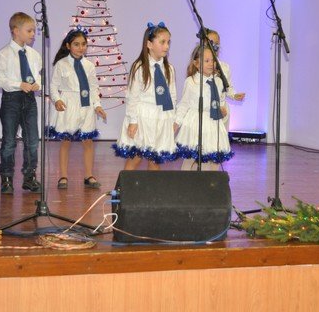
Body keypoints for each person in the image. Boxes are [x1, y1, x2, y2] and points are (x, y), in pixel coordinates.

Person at [113, 22, 177, 170]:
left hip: (161, 118)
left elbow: (172, 95)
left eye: (168, 42)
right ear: (149, 44)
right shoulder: (139, 67)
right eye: (162, 42)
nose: (167, 46)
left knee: (155, 160)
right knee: (136, 157)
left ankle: (152, 186)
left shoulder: (169, 69)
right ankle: (125, 185)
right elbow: (132, 97)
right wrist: (133, 121)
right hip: (143, 118)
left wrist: (172, 118)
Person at [48, 28, 107, 189]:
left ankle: (88, 175)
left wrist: (97, 105)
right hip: (68, 106)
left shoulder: (89, 65)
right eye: (76, 44)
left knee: (88, 141)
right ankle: (63, 176)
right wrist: (57, 100)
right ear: (68, 46)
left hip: (86, 106)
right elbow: (53, 86)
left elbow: (93, 88)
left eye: (83, 44)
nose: (81, 48)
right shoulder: (61, 64)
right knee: (66, 141)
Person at [0, 12, 42, 194]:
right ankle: (6, 178)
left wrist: (37, 84)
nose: (33, 34)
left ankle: (29, 176)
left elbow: (38, 75)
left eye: (34, 30)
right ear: (16, 31)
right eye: (29, 30)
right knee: (9, 141)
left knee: (32, 140)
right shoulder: (3, 54)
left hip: (29, 100)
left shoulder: (34, 55)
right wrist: (18, 84)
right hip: (11, 100)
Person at [175, 45, 234, 171]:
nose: (211, 64)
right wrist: (176, 122)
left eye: (213, 60)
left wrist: (221, 109)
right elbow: (184, 104)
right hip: (195, 124)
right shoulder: (191, 81)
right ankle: (184, 181)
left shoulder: (218, 82)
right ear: (196, 63)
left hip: (212, 124)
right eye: (207, 61)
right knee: (191, 158)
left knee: (211, 156)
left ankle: (208, 181)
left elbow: (219, 102)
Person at [205, 28, 245, 129]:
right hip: (206, 111)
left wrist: (234, 95)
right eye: (211, 43)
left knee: (222, 138)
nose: (214, 46)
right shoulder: (201, 67)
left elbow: (228, 87)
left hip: (223, 112)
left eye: (217, 43)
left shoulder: (224, 67)